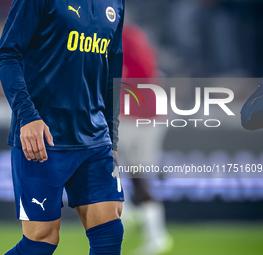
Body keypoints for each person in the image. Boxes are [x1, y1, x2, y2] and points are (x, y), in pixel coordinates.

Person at [0, 0, 125, 254]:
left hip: (96, 141)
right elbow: (8, 54)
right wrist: (27, 117)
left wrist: (112, 137)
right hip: (43, 139)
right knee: (40, 243)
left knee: (110, 233)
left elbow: (113, 71)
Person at [119, 24, 172, 255]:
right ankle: (131, 214)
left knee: (136, 174)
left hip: (141, 115)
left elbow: (143, 70)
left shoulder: (126, 36)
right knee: (126, 169)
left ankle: (135, 218)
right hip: (138, 113)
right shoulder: (129, 35)